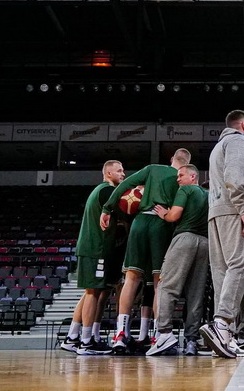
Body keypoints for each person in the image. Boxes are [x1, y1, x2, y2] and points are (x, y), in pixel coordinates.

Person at [100, 148, 191, 354]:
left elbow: (125, 184)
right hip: (162, 224)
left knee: (131, 279)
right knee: (160, 283)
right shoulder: (182, 181)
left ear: (171, 159)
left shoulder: (152, 169)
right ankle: (160, 335)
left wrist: (108, 208)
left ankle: (120, 335)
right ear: (186, 165)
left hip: (140, 222)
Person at [199, 110, 244, 359]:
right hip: (233, 210)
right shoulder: (237, 140)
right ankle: (223, 324)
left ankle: (224, 336)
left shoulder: (218, 145)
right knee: (240, 264)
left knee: (222, 271)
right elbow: (234, 178)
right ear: (243, 125)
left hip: (216, 212)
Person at [61, 160, 125, 355]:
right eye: (119, 170)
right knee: (93, 293)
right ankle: (86, 341)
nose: (123, 174)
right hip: (96, 249)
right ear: (108, 173)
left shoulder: (100, 190)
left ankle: (73, 337)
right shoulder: (107, 191)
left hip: (92, 248)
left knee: (91, 292)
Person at [146, 164, 210, 356]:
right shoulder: (208, 195)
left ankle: (165, 334)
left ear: (193, 177)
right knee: (196, 294)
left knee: (167, 287)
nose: (178, 179)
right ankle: (191, 340)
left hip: (184, 239)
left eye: (181, 175)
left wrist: (164, 213)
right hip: (205, 243)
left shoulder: (186, 189)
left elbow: (174, 216)